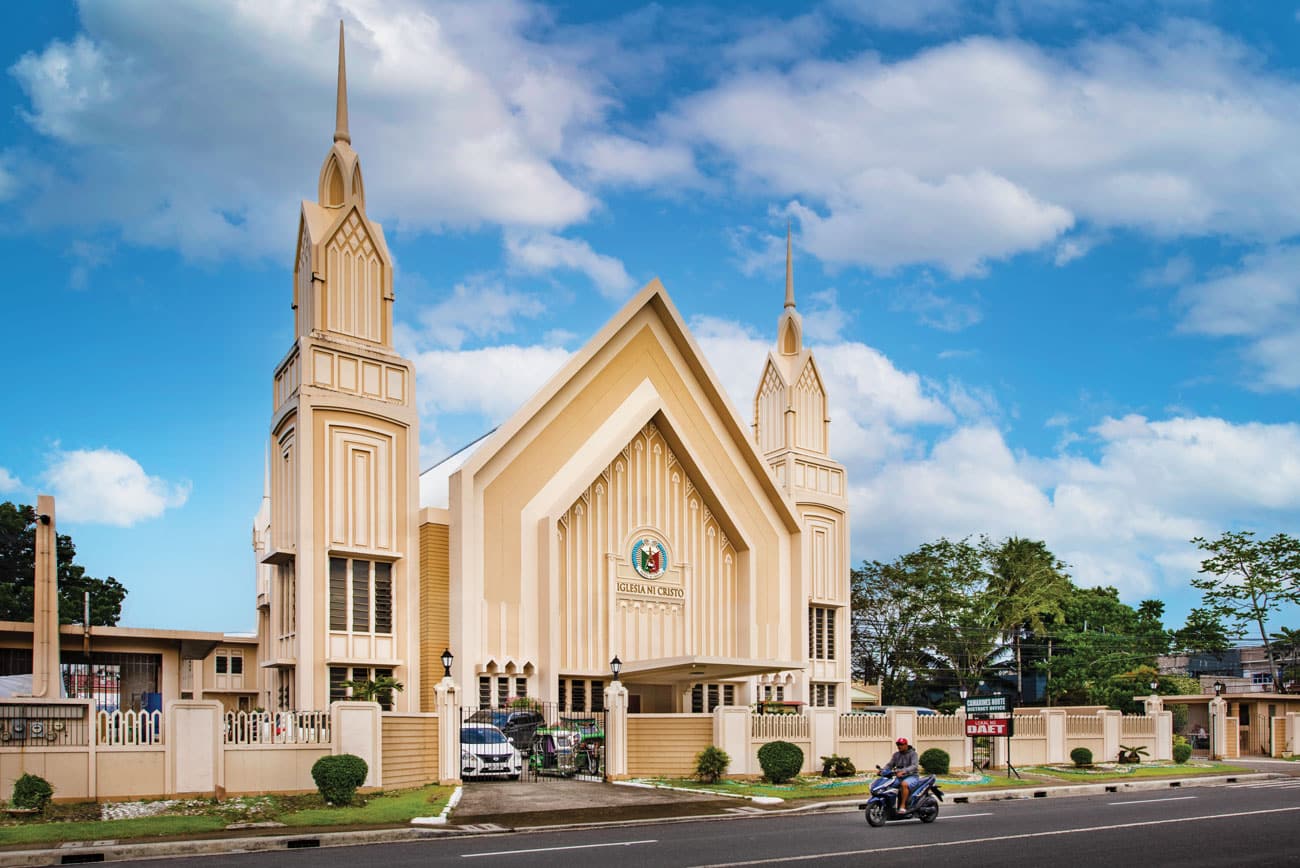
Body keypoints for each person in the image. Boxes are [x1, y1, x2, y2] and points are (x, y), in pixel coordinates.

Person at [883, 737, 920, 810]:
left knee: (904, 784)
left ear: (906, 745)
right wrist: (883, 770)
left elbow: (914, 766)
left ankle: (902, 806)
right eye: (898, 744)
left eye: (901, 744)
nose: (899, 746)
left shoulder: (913, 754)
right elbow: (890, 765)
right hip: (899, 777)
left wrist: (904, 771)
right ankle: (890, 806)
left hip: (912, 776)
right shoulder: (896, 755)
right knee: (888, 785)